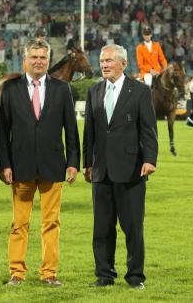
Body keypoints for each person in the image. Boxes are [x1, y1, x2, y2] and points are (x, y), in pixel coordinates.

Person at [0, 39, 80, 287]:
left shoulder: (62, 89)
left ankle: (49, 273)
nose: (38, 61)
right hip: (20, 168)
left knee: (51, 222)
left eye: (43, 57)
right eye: (34, 57)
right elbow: (3, 131)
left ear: (48, 60)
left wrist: (73, 161)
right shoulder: (10, 89)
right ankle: (16, 273)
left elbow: (71, 130)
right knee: (19, 224)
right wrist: (5, 164)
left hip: (53, 166)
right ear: (25, 59)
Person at [82, 44, 158, 290]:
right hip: (101, 170)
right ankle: (104, 274)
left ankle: (135, 276)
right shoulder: (94, 91)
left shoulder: (139, 91)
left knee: (133, 227)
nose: (104, 65)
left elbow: (148, 130)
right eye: (102, 61)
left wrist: (150, 159)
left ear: (123, 64)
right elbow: (90, 132)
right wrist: (87, 163)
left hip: (131, 170)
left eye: (109, 61)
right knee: (102, 228)